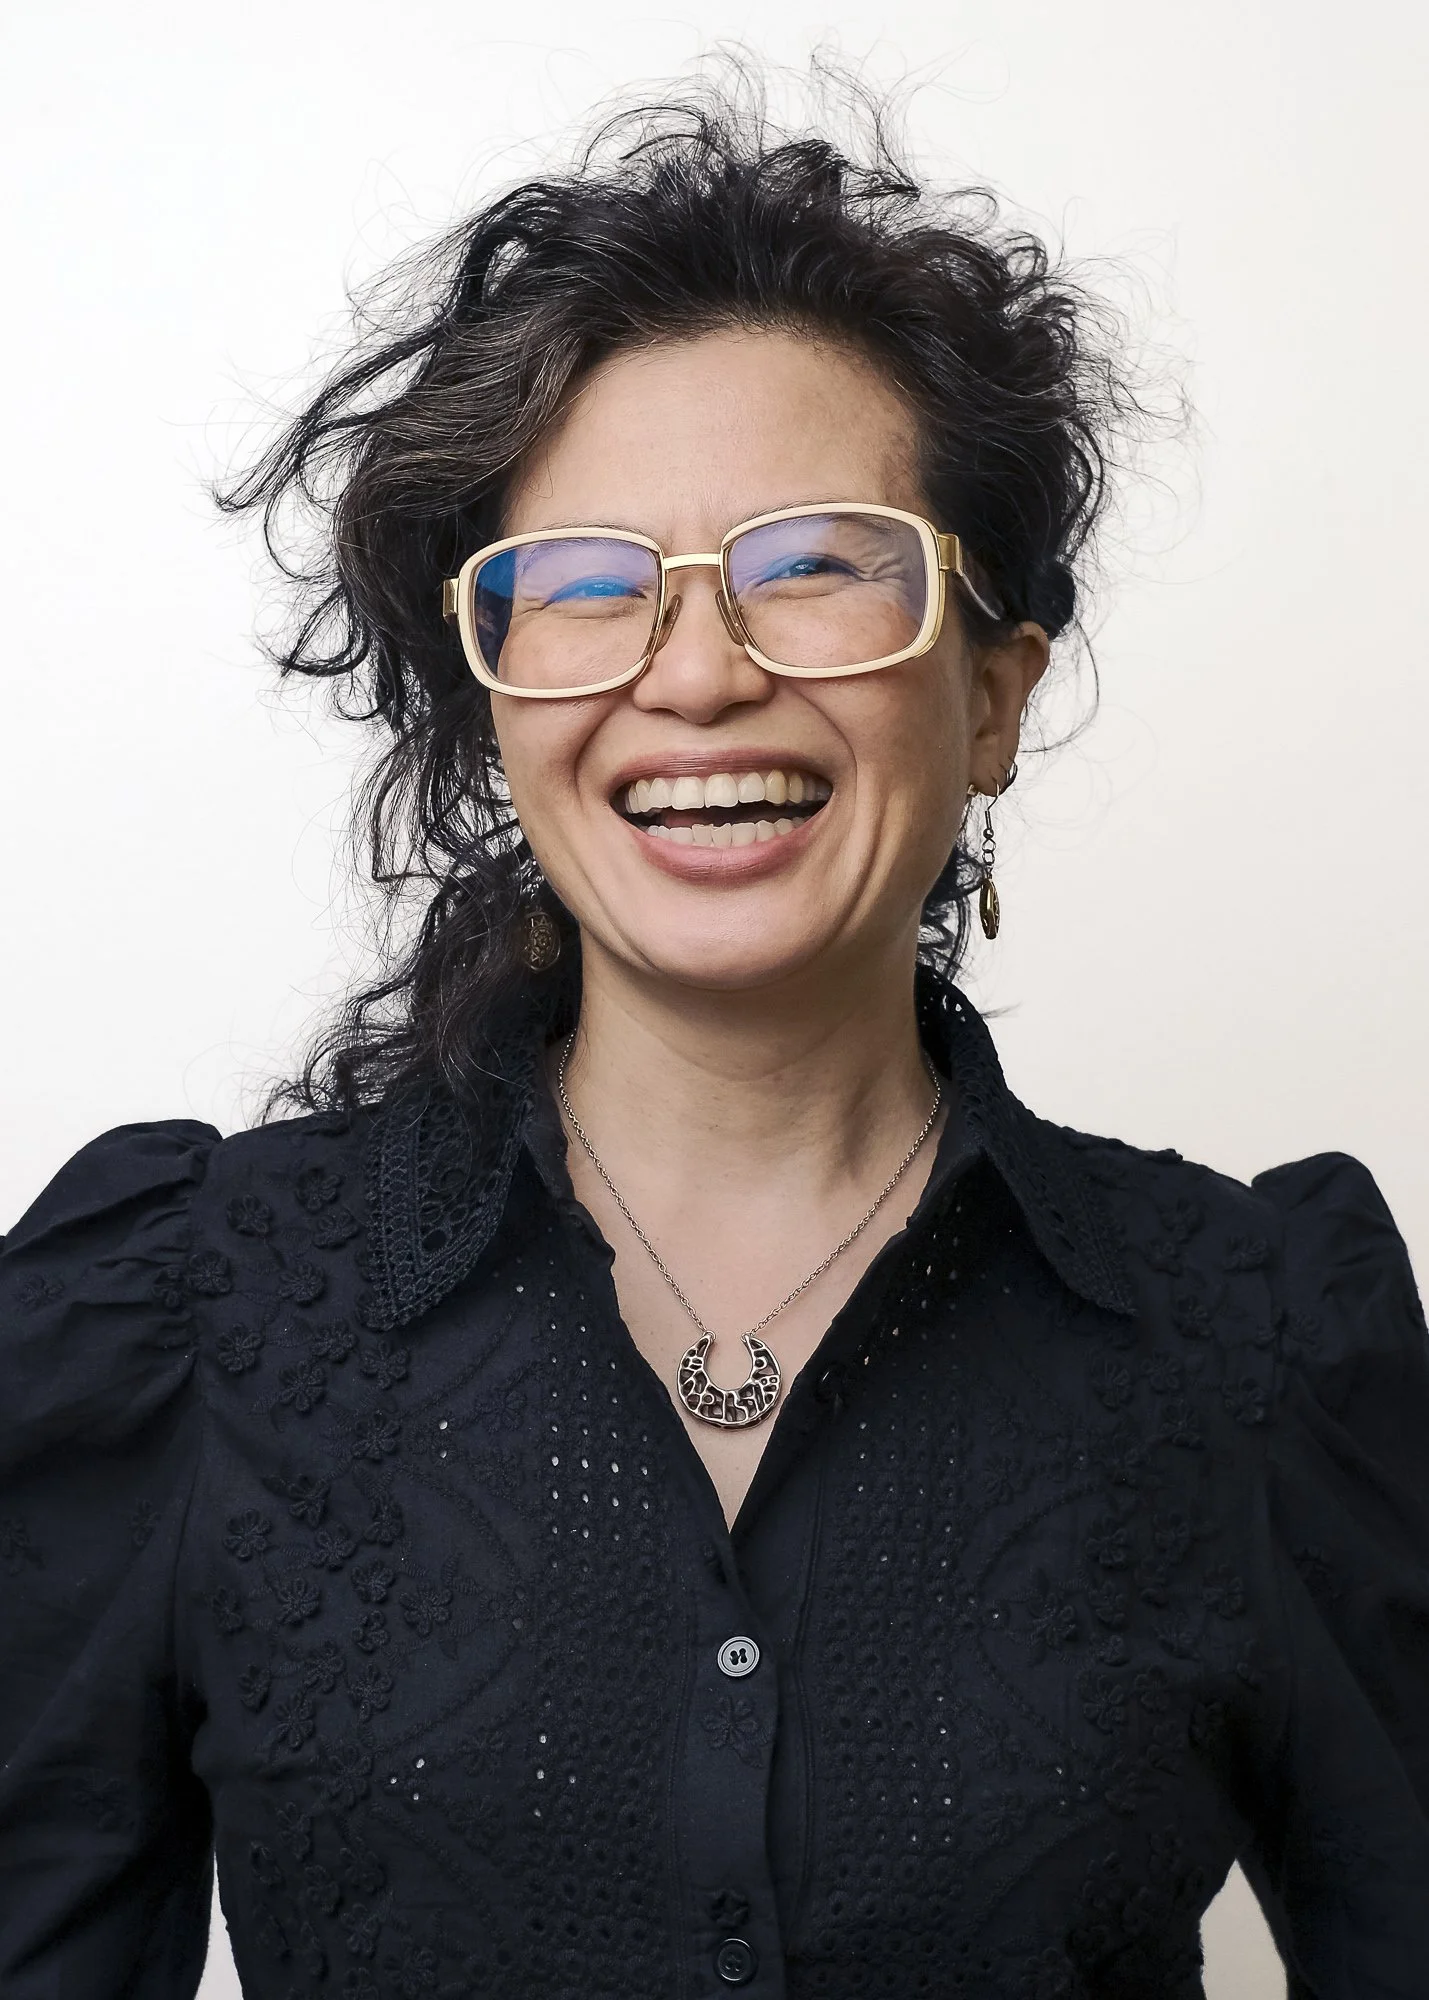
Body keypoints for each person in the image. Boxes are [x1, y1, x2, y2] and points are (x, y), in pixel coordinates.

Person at [2, 84, 1425, 2000]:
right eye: (586, 586)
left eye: (817, 564)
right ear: (495, 702)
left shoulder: (1255, 1335)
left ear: (994, 696)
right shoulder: (182, 1314)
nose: (695, 673)